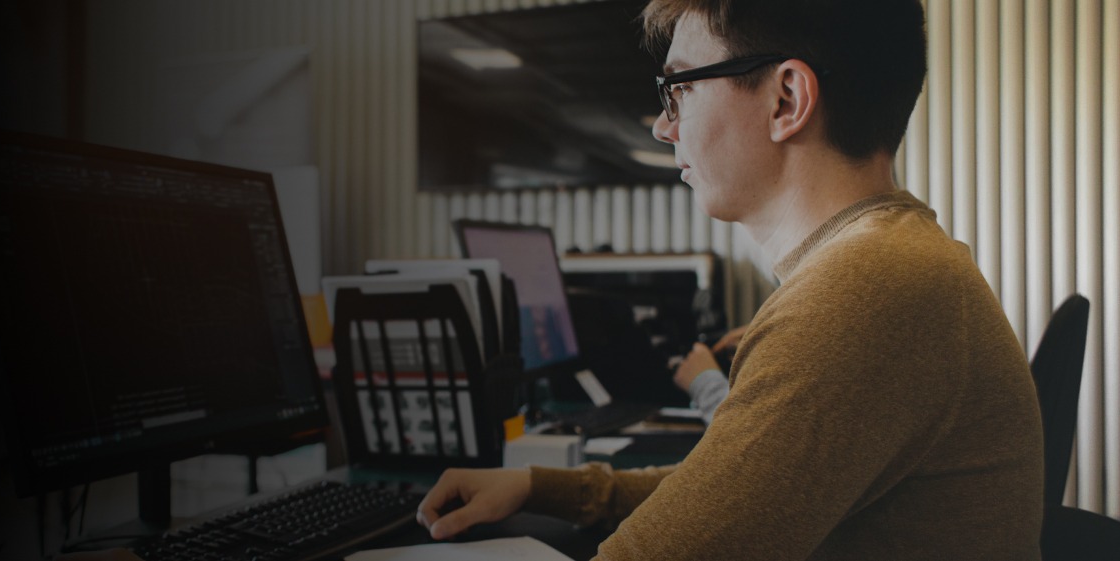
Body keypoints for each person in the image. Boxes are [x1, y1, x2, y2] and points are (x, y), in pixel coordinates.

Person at [415, 1, 1044, 559]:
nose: (665, 127)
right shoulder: (884, 265)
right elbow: (736, 492)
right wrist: (538, 485)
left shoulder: (866, 290)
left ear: (786, 101)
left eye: (679, 88)